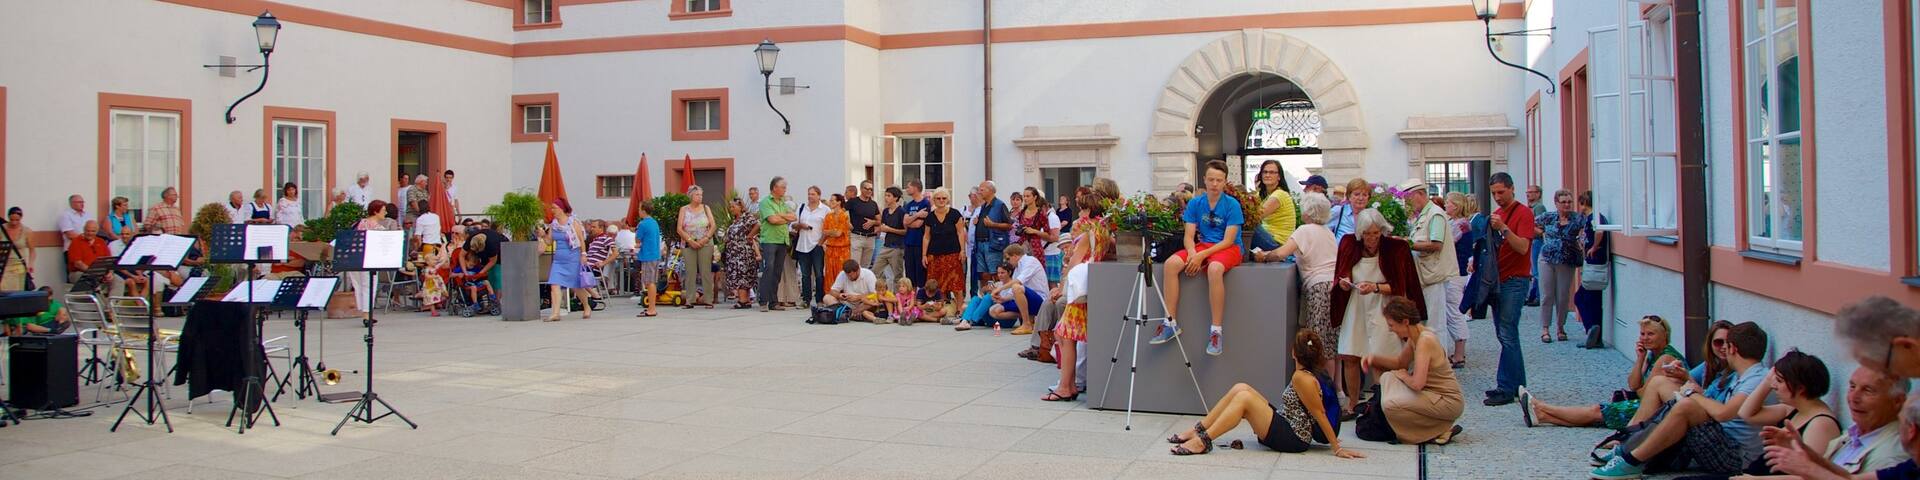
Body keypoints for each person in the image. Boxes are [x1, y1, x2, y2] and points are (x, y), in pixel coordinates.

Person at [1591, 322, 1773, 479]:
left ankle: (1631, 461)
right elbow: (1714, 407)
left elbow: (1723, 413)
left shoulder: (1755, 378)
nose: (1723, 349)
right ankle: (1628, 447)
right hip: (1724, 440)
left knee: (1686, 405)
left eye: (1725, 344)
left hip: (1736, 456)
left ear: (1733, 348)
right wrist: (1690, 388)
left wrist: (1692, 394)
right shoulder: (1742, 375)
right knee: (1663, 385)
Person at [1165, 330, 1365, 458]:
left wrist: (1336, 448)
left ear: (1293, 353)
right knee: (1241, 387)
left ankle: (1203, 441)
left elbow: (1319, 413)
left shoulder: (1302, 378)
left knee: (1244, 399)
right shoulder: (1308, 373)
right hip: (1287, 423)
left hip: (1293, 438)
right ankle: (1196, 430)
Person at [1330, 208, 1426, 414]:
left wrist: (1374, 287)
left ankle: (1385, 403)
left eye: (1375, 233)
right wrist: (1345, 283)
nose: (1371, 238)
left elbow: (1401, 285)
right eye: (1367, 234)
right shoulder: (1349, 244)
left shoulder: (1395, 248)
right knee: (1350, 354)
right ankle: (1352, 403)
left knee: (1382, 355)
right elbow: (1342, 273)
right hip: (1357, 305)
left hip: (1384, 306)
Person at [1150, 160, 1244, 356]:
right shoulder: (1195, 203)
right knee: (1171, 264)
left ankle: (1216, 331)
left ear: (1225, 182)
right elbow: (1188, 235)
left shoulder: (1232, 204)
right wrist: (1193, 254)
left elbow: (1228, 240)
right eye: (1211, 179)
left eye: (1219, 180)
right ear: (1204, 180)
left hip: (1228, 248)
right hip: (1202, 246)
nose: (1215, 184)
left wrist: (1201, 255)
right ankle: (1170, 322)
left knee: (1215, 268)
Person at [1525, 315, 1685, 429]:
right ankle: (1542, 415)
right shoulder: (1652, 355)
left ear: (1664, 336)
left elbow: (1643, 394)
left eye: (1651, 334)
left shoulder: (1666, 358)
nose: (1645, 338)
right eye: (1642, 334)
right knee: (1597, 414)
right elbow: (1633, 385)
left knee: (1597, 412)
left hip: (1656, 410)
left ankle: (1541, 407)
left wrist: (1640, 389)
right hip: (1649, 405)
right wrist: (1640, 358)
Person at [1756, 368, 1912, 479]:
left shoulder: (1892, 454)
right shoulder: (1857, 433)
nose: (1853, 397)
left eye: (1868, 390)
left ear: (1897, 400)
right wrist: (1802, 450)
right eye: (1852, 386)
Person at [1362, 297, 1465, 445]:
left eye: (1392, 325)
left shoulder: (1425, 340)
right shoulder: (1415, 336)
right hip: (1431, 395)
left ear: (1405, 322)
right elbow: (1399, 363)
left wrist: (1403, 376)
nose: (1391, 329)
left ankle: (1438, 429)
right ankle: (1434, 428)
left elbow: (1417, 384)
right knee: (1387, 378)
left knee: (1391, 404)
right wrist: (1373, 359)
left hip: (1446, 400)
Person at [1255, 193, 1339, 371]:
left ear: (1307, 211)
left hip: (1318, 287)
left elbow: (1280, 253)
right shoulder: (1328, 232)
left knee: (1317, 341)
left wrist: (1263, 256)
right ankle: (1337, 390)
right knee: (1331, 342)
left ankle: (1321, 389)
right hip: (1335, 286)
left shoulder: (1304, 230)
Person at [1727, 351, 1843, 476]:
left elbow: (1810, 476)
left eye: (1779, 381)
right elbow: (1746, 414)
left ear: (1800, 387)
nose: (1774, 385)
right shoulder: (1794, 409)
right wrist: (1767, 380)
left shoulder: (1821, 424)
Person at [1484, 172, 1538, 407]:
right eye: (1494, 193)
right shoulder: (1498, 213)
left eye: (1501, 192)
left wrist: (1504, 228)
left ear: (1512, 189)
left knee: (1507, 332)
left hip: (1515, 279)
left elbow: (1523, 247)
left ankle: (1507, 386)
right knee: (1505, 333)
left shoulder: (1524, 213)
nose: (1497, 197)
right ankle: (1515, 384)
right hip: (1500, 278)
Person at [1400, 179, 1457, 360]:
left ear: (1421, 194)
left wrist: (1408, 244)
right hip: (1423, 275)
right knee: (1426, 322)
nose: (1408, 203)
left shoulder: (1435, 214)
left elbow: (1436, 244)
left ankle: (1438, 364)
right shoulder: (1423, 215)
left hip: (1433, 276)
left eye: (1409, 198)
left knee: (1435, 323)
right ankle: (1427, 362)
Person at [1536, 189, 1586, 343]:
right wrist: (1542, 234)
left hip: (1567, 259)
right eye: (1563, 202)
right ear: (1556, 203)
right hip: (1547, 258)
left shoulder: (1577, 219)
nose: (1567, 205)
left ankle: (1560, 327)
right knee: (1547, 295)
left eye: (1569, 202)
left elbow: (1587, 229)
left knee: (1563, 295)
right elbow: (1532, 225)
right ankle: (1545, 328)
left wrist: (1582, 242)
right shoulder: (1548, 217)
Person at [541, 198, 591, 322]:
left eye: (554, 208)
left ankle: (586, 306)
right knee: (554, 284)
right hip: (559, 259)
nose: (552, 210)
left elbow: (580, 240)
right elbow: (549, 241)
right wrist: (542, 235)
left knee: (576, 286)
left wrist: (583, 255)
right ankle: (555, 313)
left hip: (573, 257)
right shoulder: (554, 224)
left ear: (561, 208)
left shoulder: (573, 222)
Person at [921, 187, 967, 321]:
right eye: (938, 198)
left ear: (948, 199)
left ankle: (959, 310)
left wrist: (962, 250)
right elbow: (926, 237)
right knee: (936, 284)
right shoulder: (930, 217)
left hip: (952, 254)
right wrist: (924, 255)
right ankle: (941, 311)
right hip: (934, 256)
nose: (941, 201)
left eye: (944, 198)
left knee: (956, 284)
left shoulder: (955, 214)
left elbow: (960, 233)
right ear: (934, 200)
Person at [1443, 192, 1478, 366]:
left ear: (1456, 206)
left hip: (1456, 273)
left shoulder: (1460, 225)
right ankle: (1458, 352)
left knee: (1454, 311)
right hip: (1455, 271)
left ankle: (1459, 354)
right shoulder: (1456, 223)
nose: (1445, 205)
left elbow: (1445, 244)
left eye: (1448, 202)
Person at [1576, 191, 1613, 347]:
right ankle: (1596, 333)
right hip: (1596, 262)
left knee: (1581, 297)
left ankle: (1591, 328)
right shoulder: (1594, 217)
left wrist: (1594, 247)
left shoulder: (1594, 217)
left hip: (1595, 263)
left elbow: (1599, 231)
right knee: (1594, 299)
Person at [757, 178, 798, 312]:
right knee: (768, 268)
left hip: (782, 240)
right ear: (775, 188)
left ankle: (773, 302)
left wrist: (781, 215)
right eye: (783, 187)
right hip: (769, 240)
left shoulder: (782, 203)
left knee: (777, 271)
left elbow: (793, 217)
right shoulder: (765, 202)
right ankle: (763, 300)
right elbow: (772, 220)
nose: (785, 189)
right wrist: (783, 217)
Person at [987, 244, 1047, 335]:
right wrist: (1003, 299)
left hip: (1039, 299)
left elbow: (1018, 282)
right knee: (994, 311)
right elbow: (1011, 293)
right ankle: (1030, 316)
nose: (1007, 262)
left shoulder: (1031, 261)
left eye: (1008, 259)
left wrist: (999, 288)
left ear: (1015, 256)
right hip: (1026, 300)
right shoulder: (1017, 268)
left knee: (1016, 287)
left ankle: (1027, 324)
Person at [678, 186, 717, 308]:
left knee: (706, 271)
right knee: (690, 272)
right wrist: (690, 240)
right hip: (689, 244)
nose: (700, 197)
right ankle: (690, 300)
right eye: (697, 195)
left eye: (701, 195)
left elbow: (713, 225)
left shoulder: (706, 208)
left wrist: (705, 239)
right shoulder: (684, 209)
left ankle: (708, 300)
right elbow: (679, 228)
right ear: (691, 196)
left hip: (705, 243)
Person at [972, 181, 1013, 296]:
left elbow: (1009, 225)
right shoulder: (984, 205)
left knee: (995, 273)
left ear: (990, 190)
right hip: (980, 244)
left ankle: (998, 296)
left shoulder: (1000, 205)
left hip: (993, 245)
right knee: (983, 273)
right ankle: (985, 296)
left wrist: (993, 225)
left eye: (982, 189)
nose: (979, 192)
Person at [1249, 160, 1298, 252]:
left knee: (1248, 224)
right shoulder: (1264, 195)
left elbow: (1254, 217)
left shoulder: (1279, 194)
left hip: (1278, 244)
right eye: (1265, 172)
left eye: (1272, 172)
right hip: (1269, 238)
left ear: (1279, 177)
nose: (1267, 175)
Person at [792, 186, 828, 309]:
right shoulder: (802, 208)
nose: (810, 196)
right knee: (805, 274)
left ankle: (820, 299)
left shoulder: (825, 210)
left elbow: (827, 228)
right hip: (803, 244)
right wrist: (800, 225)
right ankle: (806, 300)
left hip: (817, 245)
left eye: (813, 194)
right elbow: (793, 225)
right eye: (809, 194)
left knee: (819, 273)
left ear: (819, 195)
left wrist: (822, 242)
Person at [720, 199, 760, 310]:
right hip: (733, 252)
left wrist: (750, 236)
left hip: (742, 252)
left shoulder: (746, 217)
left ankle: (742, 300)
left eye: (733, 207)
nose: (731, 209)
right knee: (738, 274)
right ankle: (745, 300)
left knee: (742, 274)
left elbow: (757, 225)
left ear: (740, 206)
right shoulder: (735, 220)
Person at [1019, 188, 1062, 285]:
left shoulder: (1049, 216)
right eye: (1024, 196)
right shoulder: (1022, 213)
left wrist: (1034, 231)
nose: (1025, 199)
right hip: (1025, 247)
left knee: (1047, 281)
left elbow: (1053, 237)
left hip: (1046, 251)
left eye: (1027, 196)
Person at [633, 205, 663, 317]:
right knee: (652, 281)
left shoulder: (643, 224)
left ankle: (651, 308)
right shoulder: (654, 222)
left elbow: (637, 239)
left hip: (647, 255)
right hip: (655, 254)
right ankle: (652, 307)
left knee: (649, 282)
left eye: (639, 209)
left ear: (644, 211)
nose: (638, 211)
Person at [901, 181, 932, 285]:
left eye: (908, 187)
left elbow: (918, 224)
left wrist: (910, 220)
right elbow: (905, 222)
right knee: (910, 274)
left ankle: (920, 297)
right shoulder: (909, 204)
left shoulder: (925, 203)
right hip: (908, 243)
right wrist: (917, 214)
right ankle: (912, 298)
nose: (906, 189)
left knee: (920, 273)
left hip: (919, 243)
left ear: (915, 188)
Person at [875, 187, 908, 285]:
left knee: (897, 275)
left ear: (896, 198)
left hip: (897, 248)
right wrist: (880, 228)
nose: (886, 198)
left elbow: (905, 231)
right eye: (885, 195)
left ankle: (898, 297)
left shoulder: (902, 212)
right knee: (875, 271)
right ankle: (882, 291)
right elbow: (883, 226)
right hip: (885, 245)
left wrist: (889, 229)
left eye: (889, 196)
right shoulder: (885, 211)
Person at [821, 193, 851, 293]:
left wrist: (831, 232)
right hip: (830, 249)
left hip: (842, 249)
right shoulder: (828, 216)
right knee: (829, 274)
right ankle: (830, 296)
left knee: (841, 273)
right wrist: (831, 232)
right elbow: (824, 231)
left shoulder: (844, 215)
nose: (830, 202)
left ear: (839, 202)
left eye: (833, 200)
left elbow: (838, 233)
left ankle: (842, 297)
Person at [584, 219, 617, 307]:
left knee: (575, 274)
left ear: (601, 228)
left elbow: (615, 253)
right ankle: (588, 297)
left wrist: (603, 263)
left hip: (594, 268)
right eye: (591, 227)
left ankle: (595, 295)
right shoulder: (593, 240)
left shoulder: (606, 239)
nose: (591, 229)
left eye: (594, 227)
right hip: (587, 266)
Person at [847, 181, 880, 268]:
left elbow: (880, 220)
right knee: (855, 266)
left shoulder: (873, 204)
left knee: (866, 267)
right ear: (861, 189)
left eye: (871, 189)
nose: (869, 191)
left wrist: (873, 222)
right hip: (857, 237)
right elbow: (841, 213)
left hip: (870, 238)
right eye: (867, 188)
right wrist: (847, 223)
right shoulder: (853, 202)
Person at [2, 207, 34, 291]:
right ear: (8, 217)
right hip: (4, 264)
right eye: (11, 219)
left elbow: (32, 250)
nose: (14, 222)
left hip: (18, 265)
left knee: (17, 291)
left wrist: (30, 264)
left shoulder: (27, 231)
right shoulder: (2, 229)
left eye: (17, 220)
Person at [1526, 184, 1547, 306]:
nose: (1528, 194)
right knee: (1534, 270)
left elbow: (1539, 226)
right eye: (1527, 192)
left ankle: (1538, 296)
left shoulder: (1539, 207)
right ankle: (1533, 295)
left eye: (1531, 192)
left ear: (1538, 194)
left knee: (1536, 271)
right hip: (1533, 240)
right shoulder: (1532, 207)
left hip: (1537, 240)